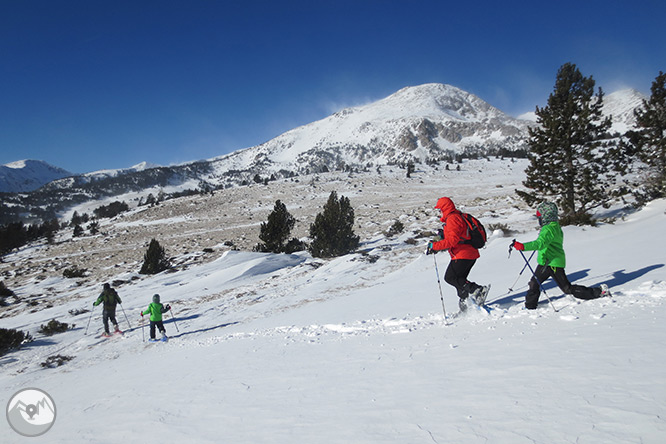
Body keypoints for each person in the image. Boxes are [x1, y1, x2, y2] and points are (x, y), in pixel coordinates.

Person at [511, 201, 610, 309]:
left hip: (553, 263)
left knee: (567, 288)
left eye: (540, 217)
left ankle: (598, 292)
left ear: (546, 216)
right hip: (546, 262)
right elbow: (544, 243)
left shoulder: (549, 229)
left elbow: (540, 244)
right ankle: (530, 306)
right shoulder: (554, 227)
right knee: (534, 283)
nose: (539, 220)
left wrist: (522, 246)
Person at [427, 197, 489, 311]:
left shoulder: (452, 219)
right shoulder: (457, 216)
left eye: (439, 209)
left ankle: (478, 290)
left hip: (463, 254)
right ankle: (465, 306)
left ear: (444, 208)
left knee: (450, 277)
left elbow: (452, 241)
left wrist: (434, 246)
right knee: (460, 280)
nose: (439, 212)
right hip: (469, 254)